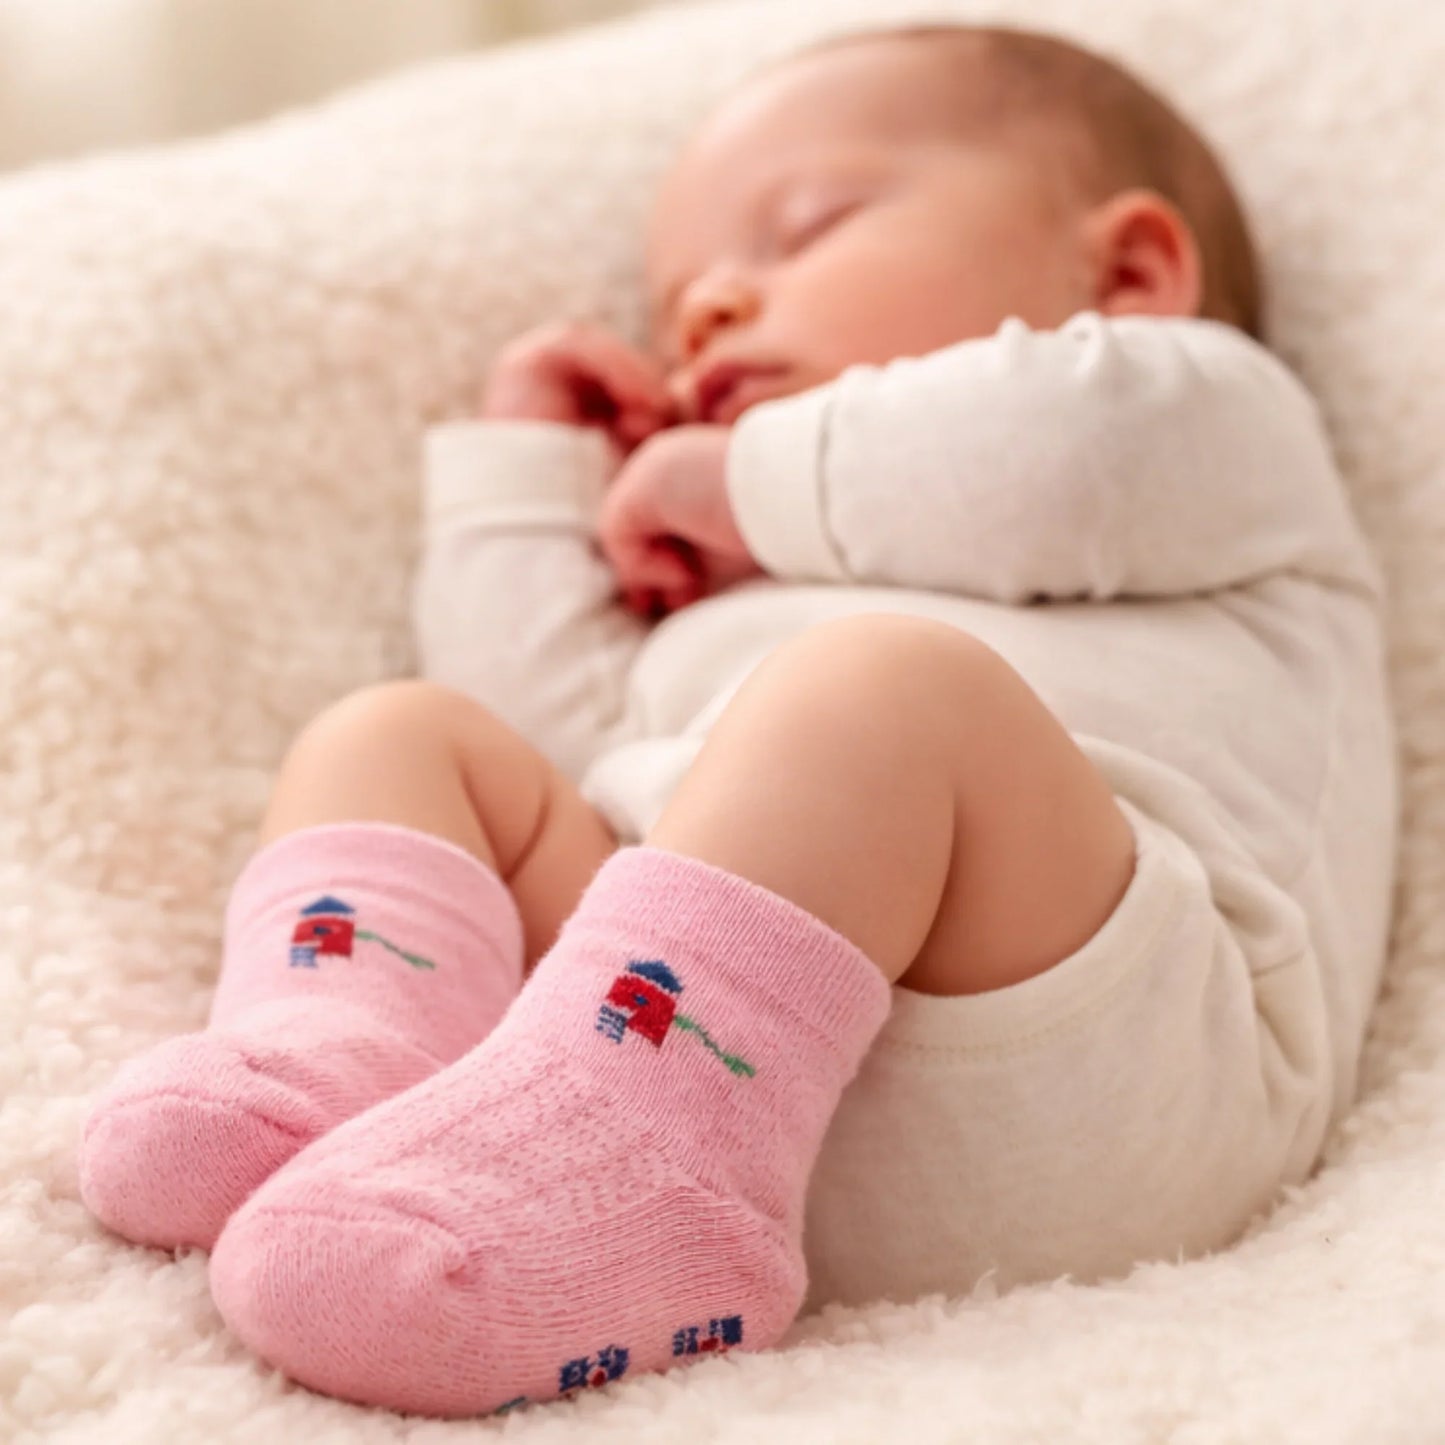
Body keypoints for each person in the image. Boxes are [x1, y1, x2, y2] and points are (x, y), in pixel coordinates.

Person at [78, 21, 1398, 1419]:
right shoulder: (737, 589)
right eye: (678, 300)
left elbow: (1082, 449)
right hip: (706, 1048)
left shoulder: (1200, 424)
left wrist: (742, 481)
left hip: (1105, 1064)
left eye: (800, 231)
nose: (707, 306)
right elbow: (568, 734)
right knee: (401, 730)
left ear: (1126, 277)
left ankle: (605, 1148)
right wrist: (529, 475)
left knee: (878, 687)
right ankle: (345, 1071)